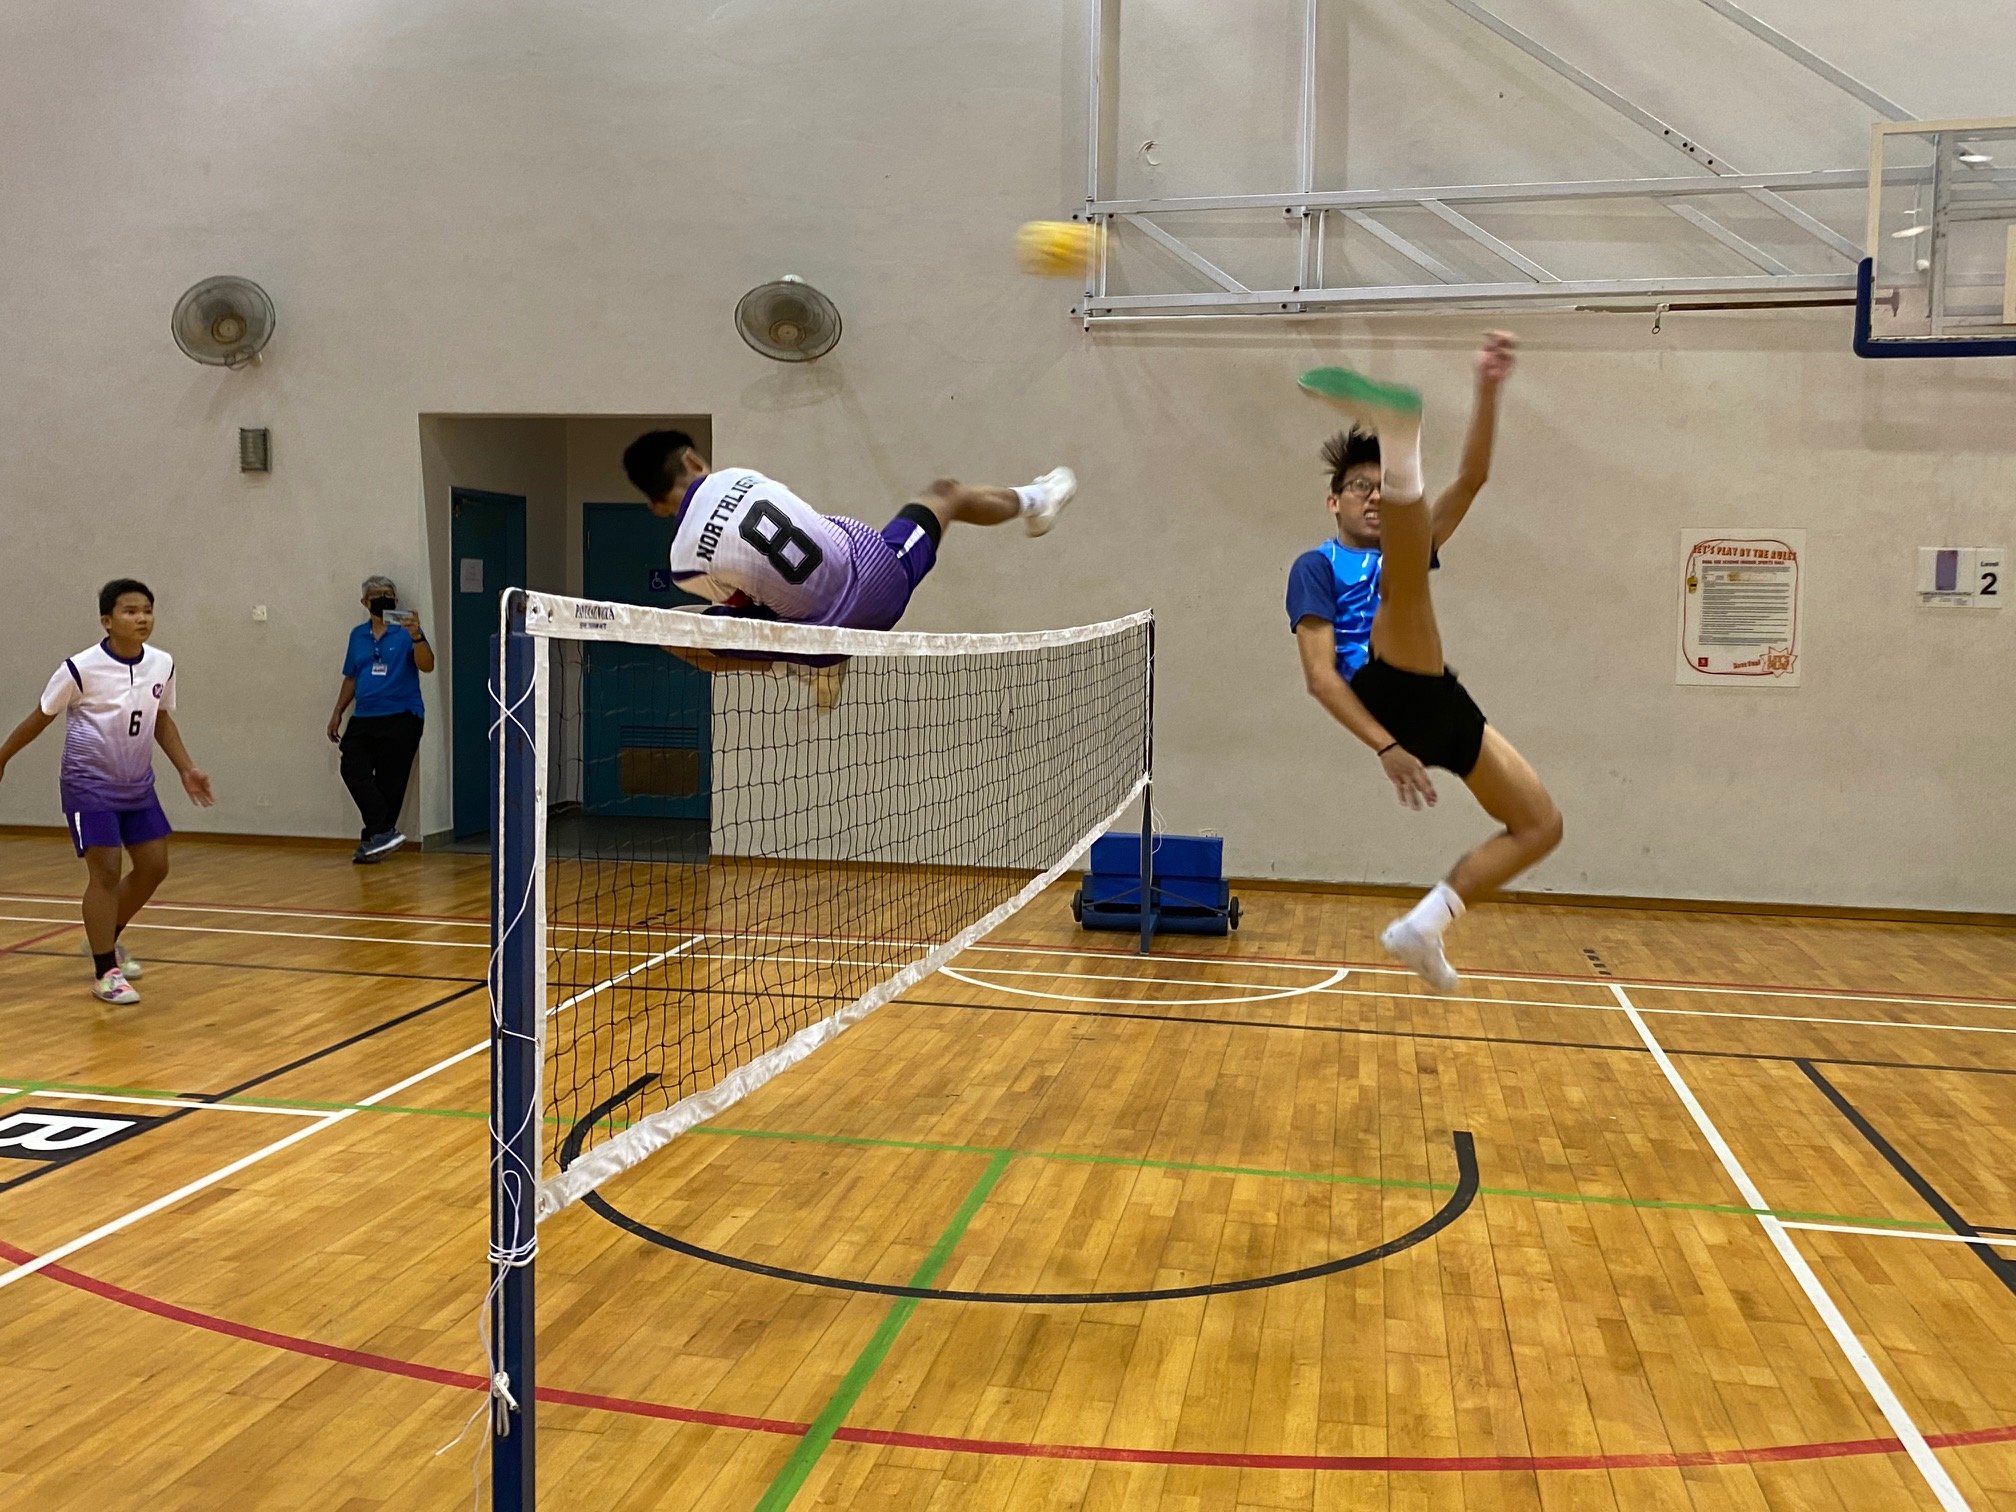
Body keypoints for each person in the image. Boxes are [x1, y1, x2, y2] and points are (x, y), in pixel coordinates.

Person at [1286, 333, 1562, 990]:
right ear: (1334, 502)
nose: (1372, 498)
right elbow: (1321, 677)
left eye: (1385, 487)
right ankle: (1401, 435)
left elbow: (1472, 479)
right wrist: (1385, 747)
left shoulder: (1406, 549)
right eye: (1360, 487)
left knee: (1539, 825)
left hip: (1436, 694)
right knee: (1404, 581)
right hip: (1380, 683)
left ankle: (1425, 926)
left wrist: (1488, 387)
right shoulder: (1318, 566)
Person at [619, 431, 1077, 674]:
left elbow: (741, 609)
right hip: (883, 579)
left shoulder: (684, 562)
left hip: (821, 643)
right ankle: (1039, 499)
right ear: (694, 463)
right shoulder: (741, 474)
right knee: (947, 494)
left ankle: (788, 668)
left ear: (656, 506)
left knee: (672, 626)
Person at [0, 579, 214, 1004]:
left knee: (154, 866)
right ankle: (105, 973)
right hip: (88, 786)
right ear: (107, 620)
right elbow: (39, 717)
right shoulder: (79, 668)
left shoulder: (162, 663)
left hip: (138, 785)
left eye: (147, 610)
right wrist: (2, 757)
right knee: (106, 873)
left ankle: (104, 938)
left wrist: (186, 768)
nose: (141, 618)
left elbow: (161, 721)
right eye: (130, 611)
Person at [327, 575, 433, 863]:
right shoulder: (357, 635)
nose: (382, 598)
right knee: (352, 768)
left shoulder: (406, 632)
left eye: (388, 594)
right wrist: (337, 711)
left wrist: (417, 635)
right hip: (364, 716)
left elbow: (427, 665)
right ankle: (383, 831)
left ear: (396, 601)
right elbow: (351, 676)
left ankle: (374, 839)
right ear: (365, 602)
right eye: (376, 595)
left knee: (390, 782)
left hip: (402, 716)